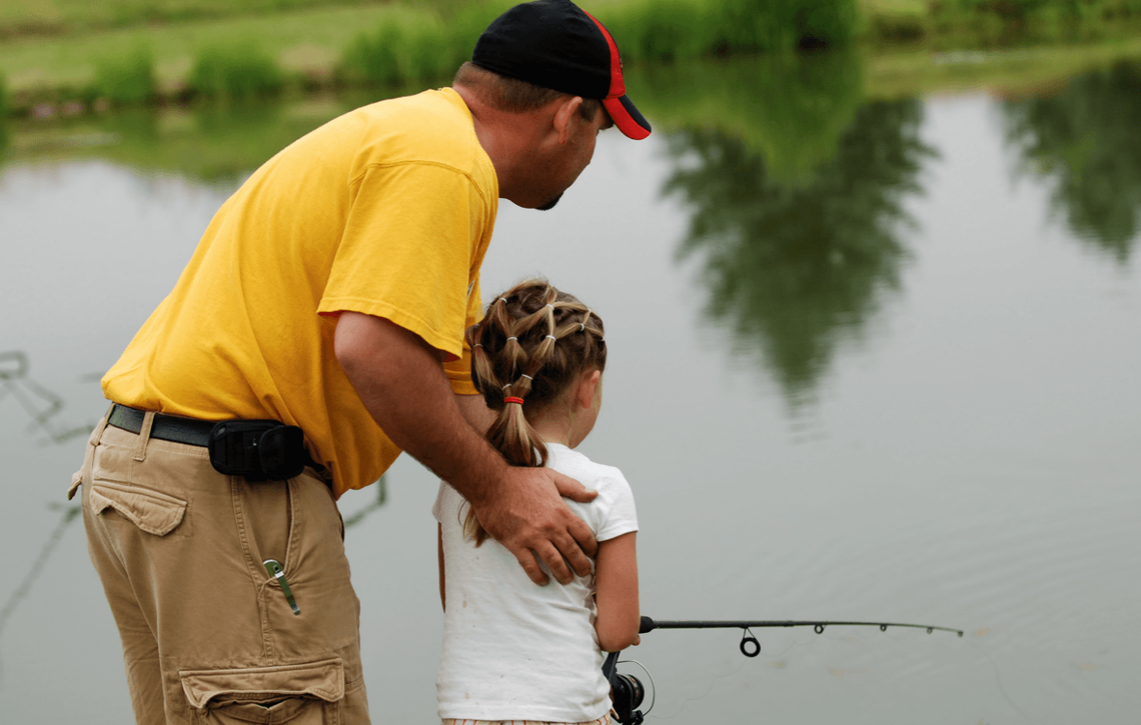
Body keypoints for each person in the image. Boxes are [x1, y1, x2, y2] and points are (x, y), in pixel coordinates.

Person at [67, 1, 651, 722]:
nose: (592, 156)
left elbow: (439, 375)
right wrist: (497, 493)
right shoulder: (443, 165)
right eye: (602, 130)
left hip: (147, 480)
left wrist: (528, 472)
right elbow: (371, 350)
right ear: (569, 116)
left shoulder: (411, 133)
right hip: (230, 494)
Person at [435, 279, 639, 725]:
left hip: (465, 710)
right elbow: (618, 630)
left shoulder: (461, 484)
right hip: (568, 710)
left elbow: (455, 601)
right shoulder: (604, 485)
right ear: (589, 387)